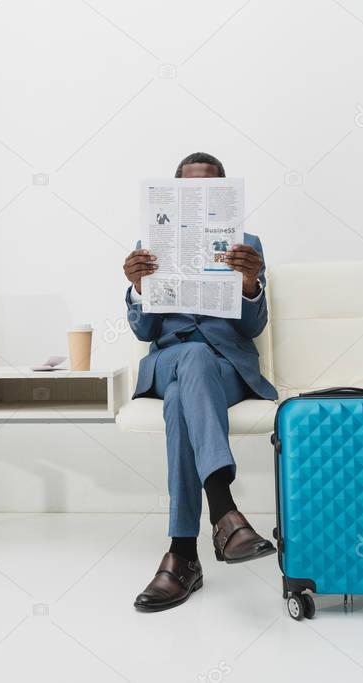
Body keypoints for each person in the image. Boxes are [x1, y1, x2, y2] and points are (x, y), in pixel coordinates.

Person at [123, 152, 278, 612]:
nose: (200, 196)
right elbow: (144, 331)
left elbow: (253, 328)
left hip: (225, 369)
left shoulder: (247, 244)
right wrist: (137, 289)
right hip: (172, 359)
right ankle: (224, 511)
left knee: (178, 405)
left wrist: (250, 282)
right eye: (190, 189)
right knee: (188, 357)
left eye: (210, 189)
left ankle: (183, 555)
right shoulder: (148, 247)